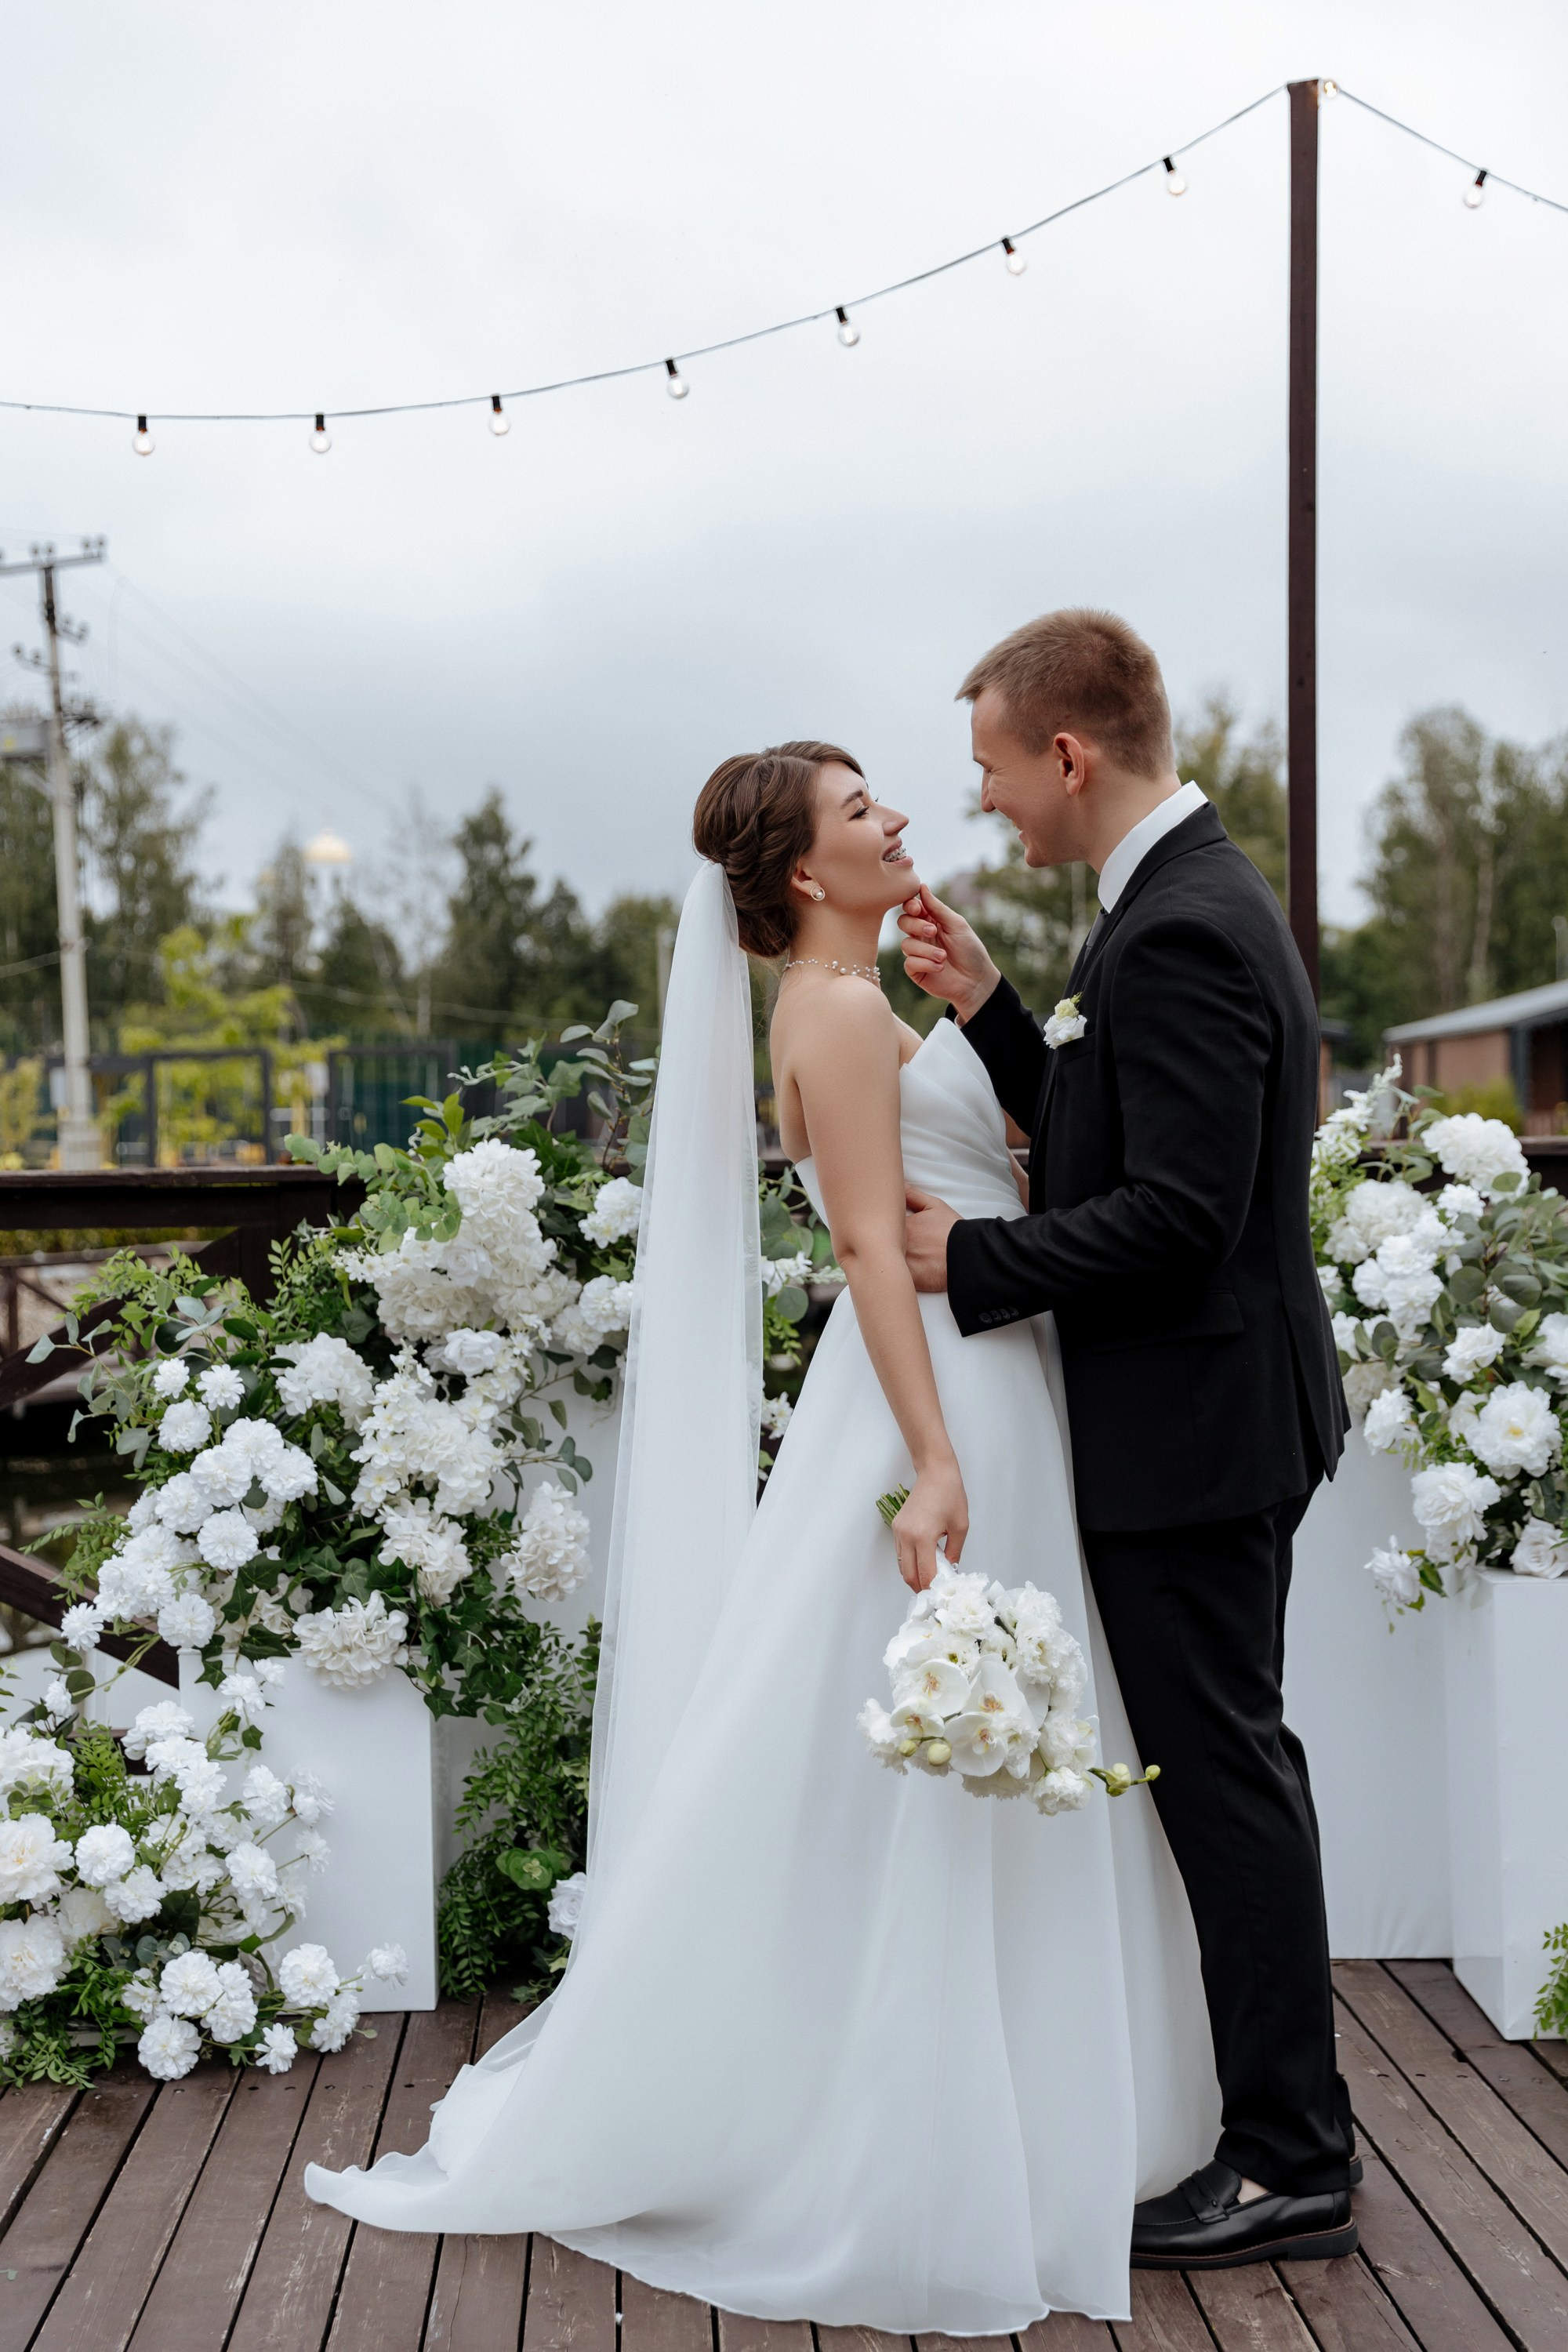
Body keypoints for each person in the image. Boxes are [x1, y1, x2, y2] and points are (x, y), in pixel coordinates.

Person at [304, 737, 1219, 2328]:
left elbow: (967, 1183)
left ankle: (994, 2106)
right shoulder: (843, 1010)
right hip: (942, 1398)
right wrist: (933, 1460)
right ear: (804, 870)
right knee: (939, 1762)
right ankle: (941, 2128)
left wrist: (990, 1060)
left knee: (926, 1758)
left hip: (968, 1378)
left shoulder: (850, 1002)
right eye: (864, 811)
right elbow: (871, 1248)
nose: (903, 820)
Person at [899, 608, 1359, 2267]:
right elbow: (1125, 1133)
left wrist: (974, 1259)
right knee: (1230, 1772)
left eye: (996, 772)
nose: (992, 806)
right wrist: (1013, 1020)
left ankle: (1294, 2158)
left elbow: (1178, 1214)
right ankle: (1280, 2131)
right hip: (1209, 1410)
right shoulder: (1174, 906)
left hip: (1197, 1425)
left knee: (1227, 1781)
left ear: (1069, 755)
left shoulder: (1176, 930)